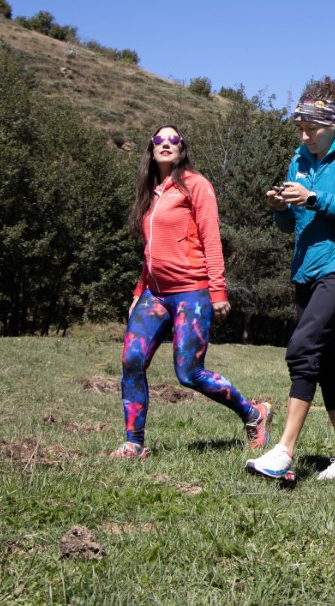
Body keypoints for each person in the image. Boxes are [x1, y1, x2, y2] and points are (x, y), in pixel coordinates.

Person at [110, 125, 271, 460]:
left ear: (182, 149)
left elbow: (211, 238)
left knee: (188, 372)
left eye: (173, 140)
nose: (166, 144)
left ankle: (253, 413)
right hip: (154, 293)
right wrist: (139, 290)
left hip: (191, 292)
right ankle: (133, 443)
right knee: (131, 360)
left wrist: (218, 290)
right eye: (159, 140)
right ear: (151, 148)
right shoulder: (150, 191)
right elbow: (152, 250)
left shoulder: (197, 186)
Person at [247, 77, 335, 482]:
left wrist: (315, 198)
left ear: (333, 126)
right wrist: (280, 208)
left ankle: (284, 450)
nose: (305, 136)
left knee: (302, 349)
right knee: (324, 362)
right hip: (305, 269)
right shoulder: (299, 159)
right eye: (300, 129)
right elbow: (289, 226)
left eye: (312, 129)